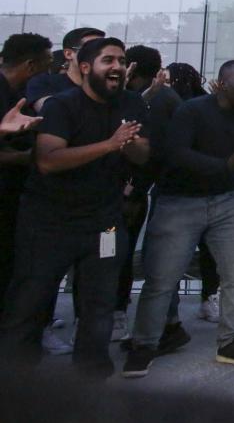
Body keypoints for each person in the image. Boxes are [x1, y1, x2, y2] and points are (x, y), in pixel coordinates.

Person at [0, 38, 149, 380]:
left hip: (104, 222)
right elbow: (49, 161)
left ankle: (91, 381)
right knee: (30, 301)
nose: (117, 66)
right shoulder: (62, 106)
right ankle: (15, 380)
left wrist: (130, 144)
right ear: (85, 68)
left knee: (99, 306)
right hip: (49, 222)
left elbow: (142, 155)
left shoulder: (132, 104)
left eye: (122, 60)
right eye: (108, 60)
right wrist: (110, 144)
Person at [123, 60, 234, 378]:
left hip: (227, 202)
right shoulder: (191, 111)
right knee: (162, 279)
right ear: (221, 84)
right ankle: (144, 345)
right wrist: (224, 165)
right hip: (179, 202)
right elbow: (177, 154)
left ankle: (230, 342)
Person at [113, 46, 183, 341]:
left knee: (131, 253)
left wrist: (135, 188)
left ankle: (130, 315)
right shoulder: (134, 98)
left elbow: (151, 150)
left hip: (145, 188)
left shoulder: (158, 100)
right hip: (145, 187)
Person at [163, 61, 222, 322]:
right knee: (209, 251)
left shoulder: (173, 104)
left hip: (178, 189)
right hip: (206, 188)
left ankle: (169, 311)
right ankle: (209, 299)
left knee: (170, 254)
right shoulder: (209, 103)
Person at [0, 33, 53, 316]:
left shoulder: (17, 95)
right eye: (47, 62)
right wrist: (24, 157)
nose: (50, 69)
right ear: (31, 65)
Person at [25, 27, 104, 114]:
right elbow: (50, 110)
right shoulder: (44, 82)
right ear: (69, 54)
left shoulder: (107, 86)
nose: (100, 56)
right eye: (91, 49)